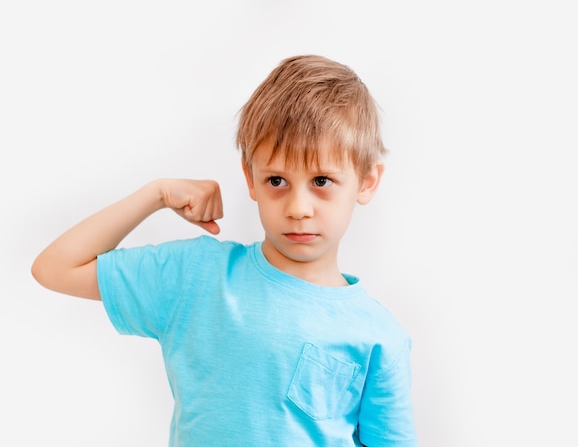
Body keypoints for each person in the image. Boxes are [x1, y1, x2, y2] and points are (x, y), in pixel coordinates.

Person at [31, 54, 417, 446]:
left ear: (367, 182)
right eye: (277, 180)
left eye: (321, 180)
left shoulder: (379, 336)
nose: (299, 208)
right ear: (250, 178)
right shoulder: (196, 275)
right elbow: (55, 268)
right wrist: (156, 194)